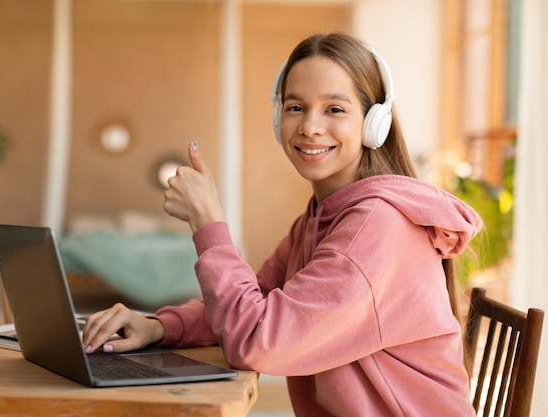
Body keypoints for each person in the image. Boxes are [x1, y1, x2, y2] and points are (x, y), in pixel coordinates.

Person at [82, 31, 482, 417]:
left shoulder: (376, 230)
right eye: (295, 107)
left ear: (373, 123)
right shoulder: (321, 217)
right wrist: (158, 326)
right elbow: (247, 306)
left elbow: (256, 341)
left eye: (335, 109)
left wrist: (209, 222)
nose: (309, 126)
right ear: (279, 119)